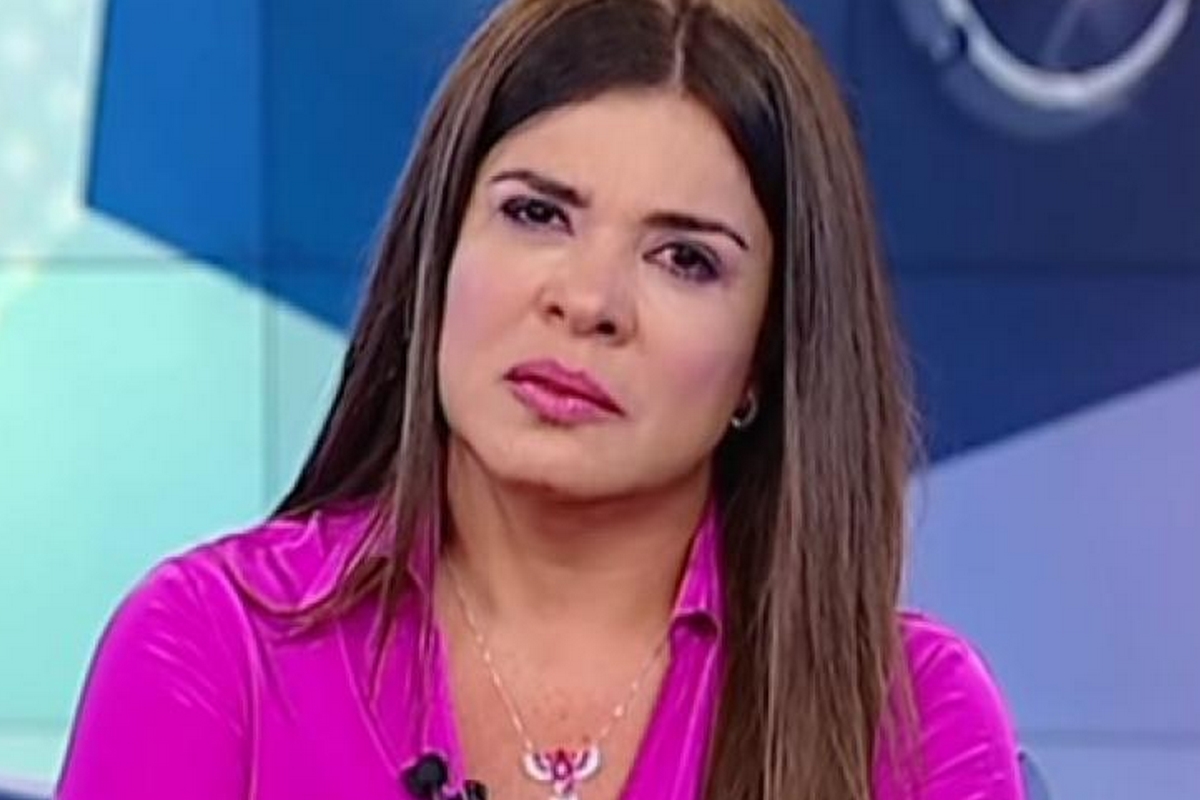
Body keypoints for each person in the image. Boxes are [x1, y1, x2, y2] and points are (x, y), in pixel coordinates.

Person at [55, 0, 1025, 798]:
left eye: (684, 259)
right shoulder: (216, 649)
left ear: (766, 355)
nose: (587, 300)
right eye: (536, 213)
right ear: (440, 250)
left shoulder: (909, 722)